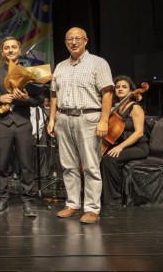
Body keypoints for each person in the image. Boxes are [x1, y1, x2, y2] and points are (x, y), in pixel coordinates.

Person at [47, 27, 113, 224]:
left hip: (88, 118)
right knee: (68, 165)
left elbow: (107, 93)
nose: (73, 42)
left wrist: (104, 120)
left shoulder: (98, 63)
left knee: (91, 166)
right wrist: (52, 119)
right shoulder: (60, 66)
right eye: (69, 39)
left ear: (86, 41)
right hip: (63, 118)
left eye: (77, 39)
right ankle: (73, 204)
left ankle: (92, 208)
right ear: (66, 42)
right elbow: (54, 95)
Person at [0, 37, 43, 216]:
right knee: (1, 164)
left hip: (23, 122)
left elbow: (39, 99)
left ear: (19, 50)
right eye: (7, 48)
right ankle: (2, 199)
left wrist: (27, 99)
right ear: (2, 52)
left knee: (26, 164)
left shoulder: (29, 73)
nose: (10, 50)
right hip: (2, 123)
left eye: (13, 47)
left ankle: (27, 201)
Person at [100, 75, 149, 205]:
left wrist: (120, 147)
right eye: (117, 87)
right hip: (122, 145)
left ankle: (114, 199)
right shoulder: (115, 107)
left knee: (109, 159)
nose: (120, 89)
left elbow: (139, 133)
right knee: (99, 157)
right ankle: (101, 196)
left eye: (124, 87)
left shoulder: (135, 107)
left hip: (139, 147)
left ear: (130, 90)